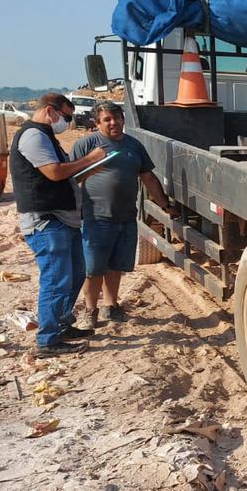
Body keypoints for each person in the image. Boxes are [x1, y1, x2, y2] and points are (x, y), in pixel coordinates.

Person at [9, 93, 108, 355]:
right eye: (65, 116)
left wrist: (88, 169)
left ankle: (61, 324)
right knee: (56, 280)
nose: (67, 122)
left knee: (75, 274)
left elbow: (64, 173)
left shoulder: (46, 136)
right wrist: (91, 159)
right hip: (46, 222)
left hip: (63, 220)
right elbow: (53, 172)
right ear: (50, 112)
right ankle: (48, 339)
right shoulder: (33, 136)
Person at [70, 102, 170, 329]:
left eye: (117, 118)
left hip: (125, 217)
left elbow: (148, 178)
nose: (113, 122)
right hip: (96, 218)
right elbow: (69, 177)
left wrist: (165, 205)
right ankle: (90, 311)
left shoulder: (134, 146)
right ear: (97, 123)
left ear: (123, 119)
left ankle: (110, 306)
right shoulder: (86, 145)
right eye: (107, 119)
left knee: (116, 265)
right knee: (94, 268)